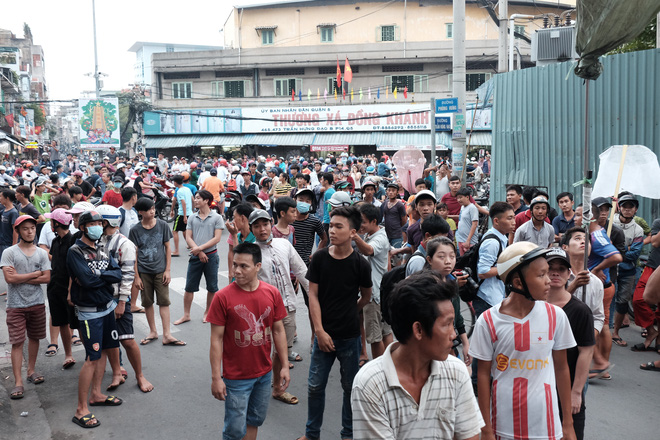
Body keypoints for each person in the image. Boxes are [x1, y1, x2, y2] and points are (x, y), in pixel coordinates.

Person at [352, 271, 484, 440]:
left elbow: (469, 435)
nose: (453, 334)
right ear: (418, 330)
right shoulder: (370, 383)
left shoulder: (456, 371)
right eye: (447, 324)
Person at [469, 242, 577, 440]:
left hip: (547, 425)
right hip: (502, 425)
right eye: (541, 275)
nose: (549, 281)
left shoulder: (556, 316)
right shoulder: (488, 321)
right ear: (518, 283)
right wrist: (486, 428)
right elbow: (483, 375)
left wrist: (567, 424)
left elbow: (562, 369)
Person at [297, 206, 372, 440]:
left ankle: (348, 434)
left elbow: (366, 297)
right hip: (323, 336)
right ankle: (311, 435)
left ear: (353, 232)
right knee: (315, 387)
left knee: (350, 388)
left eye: (339, 226)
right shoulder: (319, 258)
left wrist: (351, 310)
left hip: (350, 337)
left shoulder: (361, 264)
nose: (333, 230)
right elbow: (313, 296)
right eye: (331, 225)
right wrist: (319, 330)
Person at [208, 242, 290, 440]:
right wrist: (216, 378)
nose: (237, 270)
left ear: (258, 267)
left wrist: (285, 366)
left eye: (243, 266)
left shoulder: (272, 293)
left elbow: (278, 331)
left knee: (254, 420)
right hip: (236, 379)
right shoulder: (222, 297)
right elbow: (216, 339)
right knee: (235, 430)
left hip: (264, 374)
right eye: (235, 265)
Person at [67, 210, 123, 428]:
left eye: (100, 223)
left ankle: (97, 394)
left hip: (108, 307)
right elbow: (85, 281)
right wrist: (102, 278)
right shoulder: (75, 251)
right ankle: (81, 409)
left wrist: (97, 276)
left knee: (104, 354)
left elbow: (117, 274)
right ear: (83, 227)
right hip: (90, 312)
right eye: (93, 223)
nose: (98, 226)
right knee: (92, 358)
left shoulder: (102, 248)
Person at [249, 208, 309, 405]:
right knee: (260, 351)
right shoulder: (251, 251)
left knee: (281, 351)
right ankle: (253, 387)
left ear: (271, 224)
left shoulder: (284, 244)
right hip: (262, 312)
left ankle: (276, 388)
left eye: (265, 224)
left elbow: (301, 270)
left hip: (288, 307)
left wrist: (316, 296)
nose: (262, 229)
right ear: (252, 229)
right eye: (256, 226)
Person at [96, 205, 154, 393]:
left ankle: (140, 375)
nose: (95, 225)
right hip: (100, 298)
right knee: (108, 341)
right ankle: (116, 373)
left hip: (117, 299)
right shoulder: (98, 241)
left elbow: (128, 275)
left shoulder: (124, 244)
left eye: (98, 222)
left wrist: (122, 302)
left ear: (106, 222)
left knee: (127, 340)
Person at [545, 248, 595, 440]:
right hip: (538, 388)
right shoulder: (532, 306)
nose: (555, 273)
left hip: (566, 392)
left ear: (569, 274)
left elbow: (586, 352)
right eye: (550, 268)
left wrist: (576, 392)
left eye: (561, 269)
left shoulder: (581, 311)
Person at [1, 216, 51, 400]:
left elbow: (47, 278)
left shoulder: (42, 253)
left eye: (32, 228)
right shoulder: (9, 252)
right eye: (25, 229)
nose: (30, 231)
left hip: (37, 302)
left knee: (35, 337)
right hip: (15, 305)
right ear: (18, 231)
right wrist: (36, 273)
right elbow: (10, 279)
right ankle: (18, 382)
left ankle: (31, 370)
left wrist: (22, 276)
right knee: (17, 342)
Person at [129, 197, 185, 347]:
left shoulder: (162, 225)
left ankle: (167, 334)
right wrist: (136, 277)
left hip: (160, 270)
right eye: (149, 210)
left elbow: (168, 247)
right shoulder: (135, 230)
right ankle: (153, 331)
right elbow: (134, 254)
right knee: (147, 303)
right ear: (141, 212)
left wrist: (167, 270)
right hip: (144, 272)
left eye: (153, 208)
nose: (153, 211)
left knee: (164, 302)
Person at [174, 190, 225, 325]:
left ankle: (208, 312)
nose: (195, 201)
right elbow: (188, 237)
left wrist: (199, 249)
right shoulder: (192, 217)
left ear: (206, 200)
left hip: (211, 256)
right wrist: (199, 252)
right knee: (189, 286)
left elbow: (217, 238)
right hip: (196, 257)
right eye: (195, 198)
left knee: (212, 287)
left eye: (198, 198)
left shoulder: (216, 217)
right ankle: (186, 314)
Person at [354, 203, 393, 359]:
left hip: (374, 295)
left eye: (363, 222)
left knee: (375, 337)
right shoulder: (372, 235)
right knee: (385, 332)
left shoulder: (379, 238)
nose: (360, 225)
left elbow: (369, 250)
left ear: (374, 221)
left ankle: (380, 370)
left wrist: (354, 236)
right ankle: (390, 365)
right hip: (380, 292)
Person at [43, 208, 78, 368]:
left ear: (57, 223)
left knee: (78, 323)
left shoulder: (73, 242)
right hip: (55, 288)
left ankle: (93, 356)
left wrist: (71, 291)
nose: (50, 224)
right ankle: (68, 355)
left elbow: (73, 269)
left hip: (69, 290)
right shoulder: (55, 242)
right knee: (62, 322)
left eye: (52, 221)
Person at [611, 194, 644, 347]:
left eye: (631, 206)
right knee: (606, 300)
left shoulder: (638, 230)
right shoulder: (611, 223)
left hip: (627, 271)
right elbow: (604, 246)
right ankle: (603, 331)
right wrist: (625, 249)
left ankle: (615, 333)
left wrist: (616, 250)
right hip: (609, 268)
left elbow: (634, 254)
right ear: (619, 207)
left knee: (622, 302)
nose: (627, 209)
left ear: (635, 209)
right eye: (624, 206)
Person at [171, 174, 193, 257]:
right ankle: (192, 247)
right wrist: (192, 210)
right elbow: (192, 200)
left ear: (176, 183)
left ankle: (176, 251)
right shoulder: (187, 189)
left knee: (175, 231)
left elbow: (183, 203)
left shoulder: (179, 191)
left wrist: (184, 216)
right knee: (185, 231)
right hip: (189, 213)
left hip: (182, 214)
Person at [380, 182, 407, 248]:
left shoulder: (400, 205)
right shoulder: (385, 203)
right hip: (386, 234)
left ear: (397, 193)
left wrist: (396, 226)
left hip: (396, 235)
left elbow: (404, 220)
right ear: (386, 192)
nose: (391, 192)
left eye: (393, 190)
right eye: (389, 190)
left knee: (396, 254)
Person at [455, 188, 479, 255]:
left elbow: (474, 224)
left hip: (469, 242)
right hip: (461, 240)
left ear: (467, 197)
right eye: (457, 198)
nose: (459, 200)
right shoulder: (462, 207)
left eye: (460, 197)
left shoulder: (472, 208)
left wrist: (468, 240)